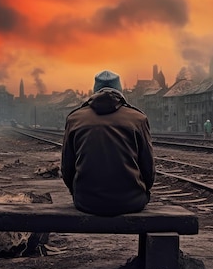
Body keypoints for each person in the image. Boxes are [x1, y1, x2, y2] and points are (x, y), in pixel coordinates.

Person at [61, 70, 155, 216]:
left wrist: (77, 193)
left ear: (94, 91)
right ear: (120, 91)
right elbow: (148, 167)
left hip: (86, 202)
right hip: (131, 201)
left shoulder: (75, 119)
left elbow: (67, 168)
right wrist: (142, 190)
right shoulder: (138, 119)